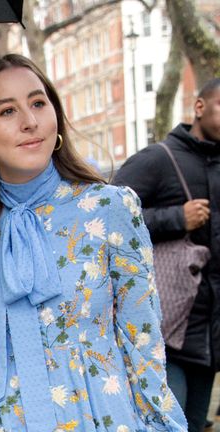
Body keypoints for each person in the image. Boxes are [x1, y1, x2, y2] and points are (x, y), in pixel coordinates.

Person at [0, 54, 187, 431]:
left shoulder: (109, 208)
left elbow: (144, 342)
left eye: (38, 103)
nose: (30, 121)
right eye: (7, 111)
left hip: (100, 416)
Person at [114, 78, 220, 432]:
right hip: (166, 327)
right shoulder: (158, 159)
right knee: (166, 425)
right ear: (200, 107)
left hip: (210, 331)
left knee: (195, 422)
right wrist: (177, 218)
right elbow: (108, 215)